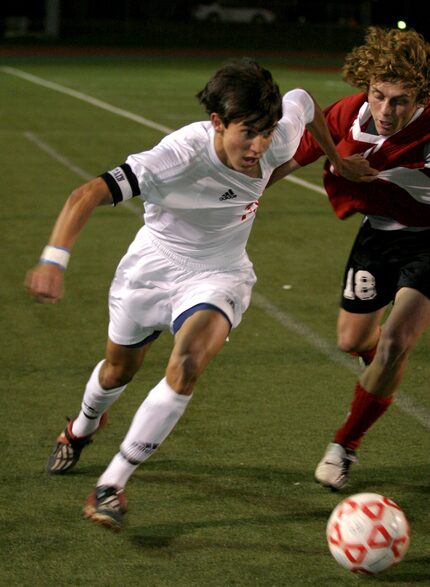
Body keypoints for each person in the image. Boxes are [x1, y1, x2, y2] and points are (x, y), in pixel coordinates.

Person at [26, 58, 375, 530]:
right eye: (248, 132)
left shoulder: (279, 134)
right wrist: (53, 259)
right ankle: (82, 427)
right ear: (217, 122)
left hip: (219, 272)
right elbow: (85, 194)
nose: (259, 146)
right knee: (116, 372)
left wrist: (335, 160)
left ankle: (112, 483)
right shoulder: (176, 157)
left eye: (267, 131)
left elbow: (306, 102)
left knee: (188, 362)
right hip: (151, 269)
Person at [269, 27, 430, 491]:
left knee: (398, 338)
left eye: (400, 100)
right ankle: (378, 372)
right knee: (353, 339)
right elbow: (301, 151)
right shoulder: (349, 113)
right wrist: (247, 193)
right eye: (378, 95)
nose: (385, 110)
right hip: (377, 235)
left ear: (420, 95)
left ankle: (344, 445)